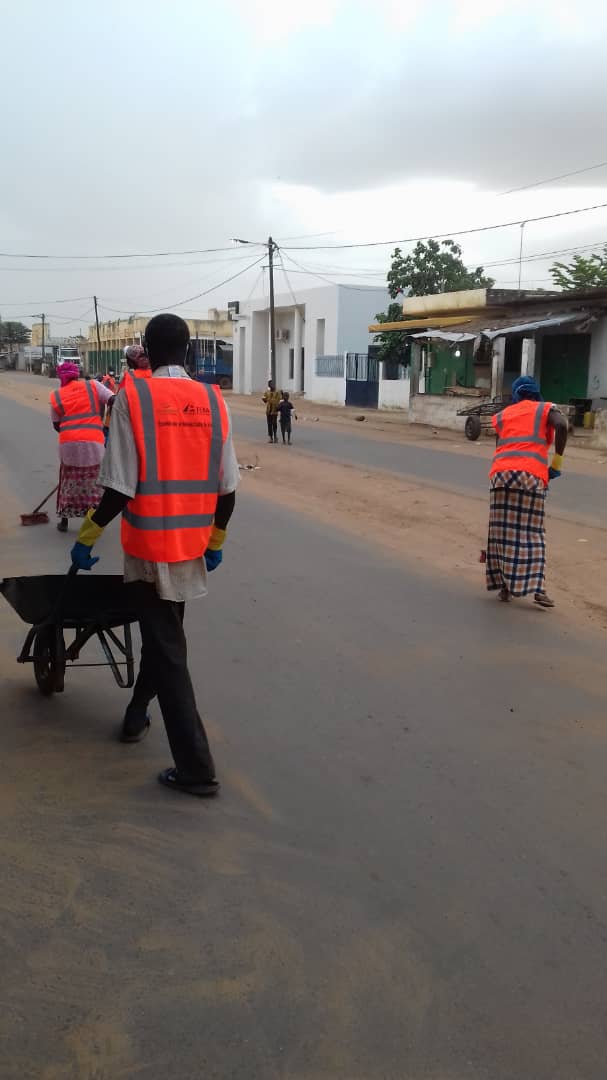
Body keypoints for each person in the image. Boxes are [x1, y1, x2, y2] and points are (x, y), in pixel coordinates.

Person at [70, 314, 239, 799]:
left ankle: (197, 768)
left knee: (167, 647)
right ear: (188, 350)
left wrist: (86, 537)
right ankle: (135, 713)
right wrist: (216, 542)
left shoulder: (133, 397)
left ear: (146, 348)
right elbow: (228, 490)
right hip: (189, 551)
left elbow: (119, 487)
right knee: (165, 638)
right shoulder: (212, 400)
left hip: (148, 551)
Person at [486, 374, 567, 608]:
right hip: (531, 475)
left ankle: (504, 587)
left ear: (516, 393)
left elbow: (500, 445)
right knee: (532, 534)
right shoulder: (545, 409)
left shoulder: (503, 415)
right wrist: (557, 463)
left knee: (502, 533)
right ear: (535, 392)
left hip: (500, 475)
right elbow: (562, 425)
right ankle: (538, 590)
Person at [50, 362, 113, 533]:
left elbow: (56, 425)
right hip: (94, 443)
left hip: (69, 445)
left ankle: (64, 522)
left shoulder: (56, 395)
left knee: (68, 482)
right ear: (77, 374)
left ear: (60, 377)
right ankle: (94, 522)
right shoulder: (93, 385)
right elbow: (113, 399)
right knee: (94, 484)